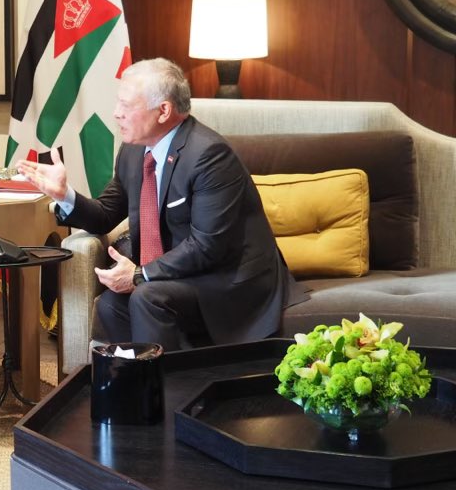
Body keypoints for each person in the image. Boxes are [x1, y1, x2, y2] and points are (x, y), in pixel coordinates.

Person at [17, 57, 301, 351]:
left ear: (163, 110)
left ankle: (172, 393)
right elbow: (104, 215)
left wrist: (140, 275)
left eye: (126, 106)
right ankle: (143, 390)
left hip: (228, 278)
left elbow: (208, 246)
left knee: (146, 297)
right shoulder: (133, 151)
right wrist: (64, 194)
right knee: (111, 305)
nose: (116, 114)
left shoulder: (209, 156)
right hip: (178, 275)